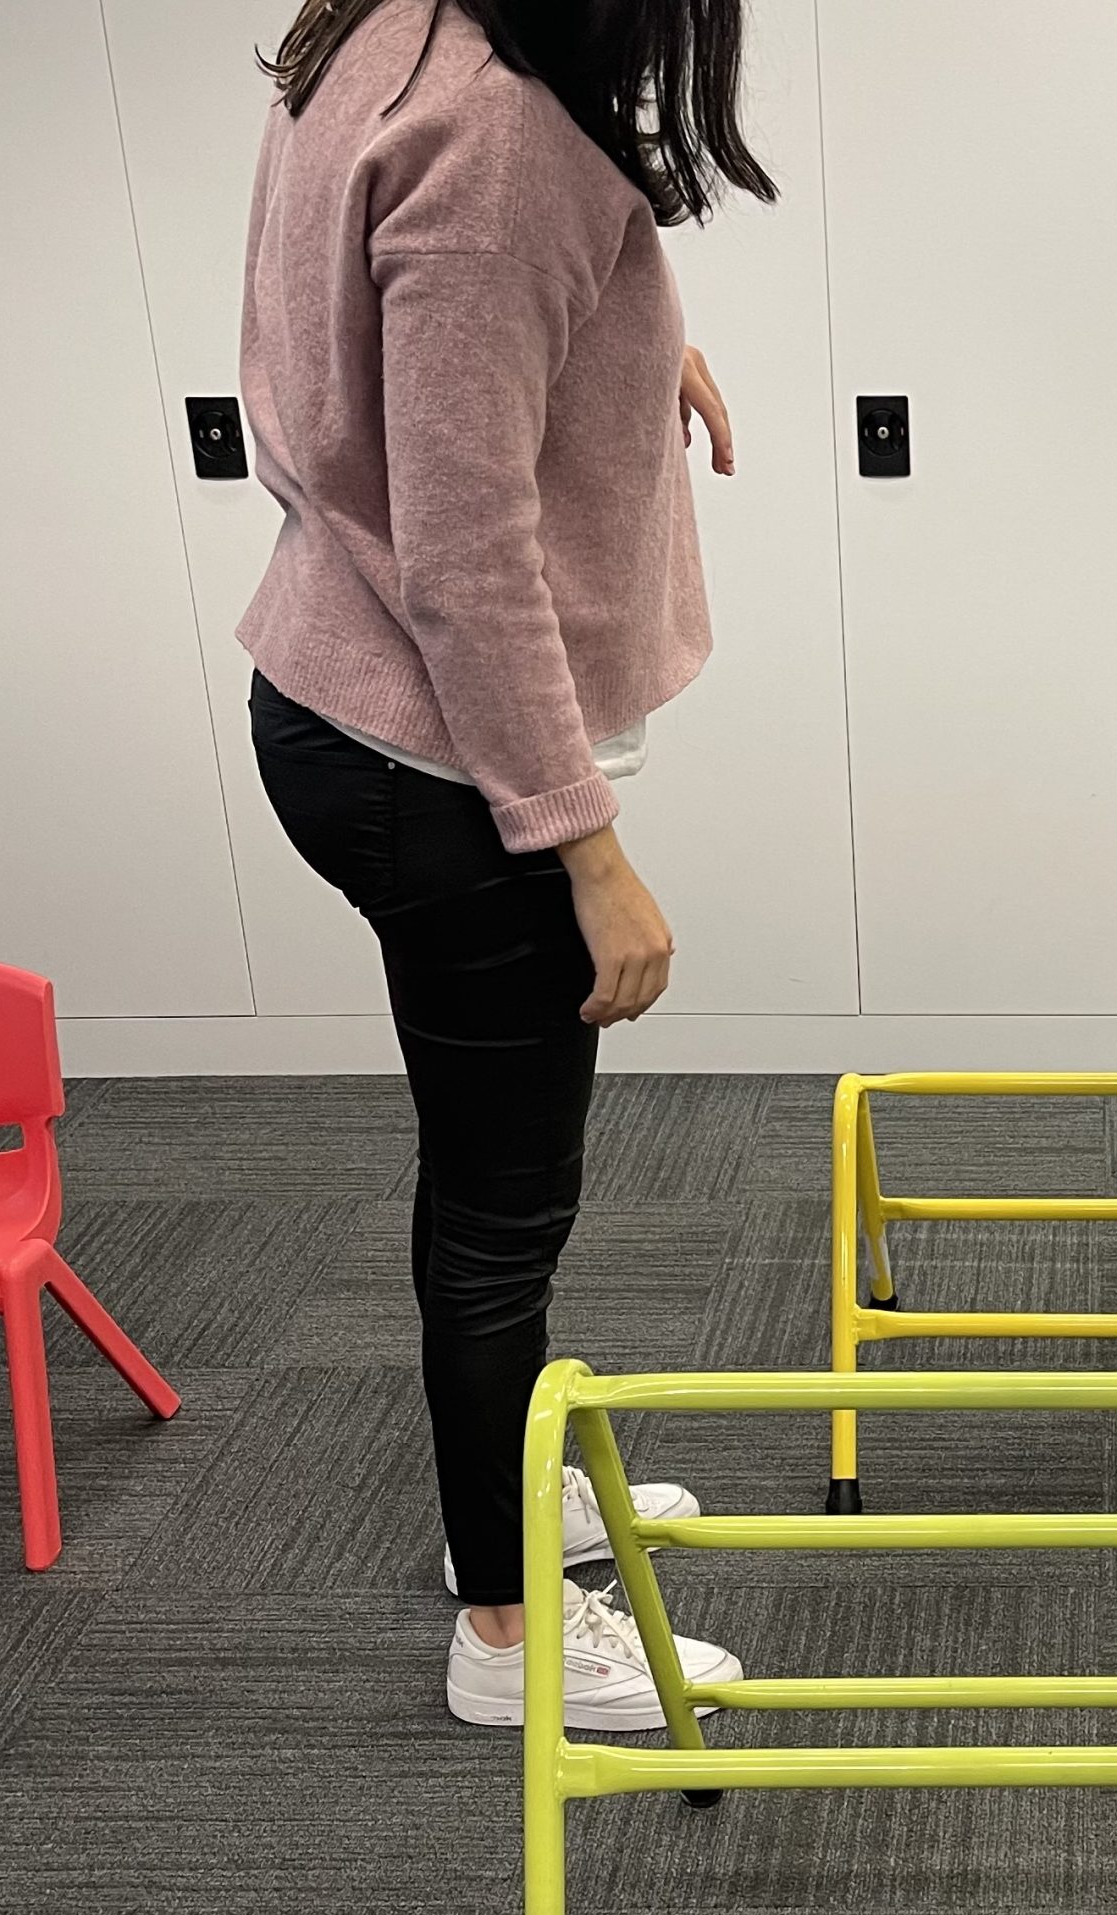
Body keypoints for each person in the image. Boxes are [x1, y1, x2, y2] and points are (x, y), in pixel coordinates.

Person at [240, 0, 770, 1729]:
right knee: (500, 1223)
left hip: (343, 697)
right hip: (440, 760)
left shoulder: (391, 28)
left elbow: (420, 353)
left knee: (478, 1192)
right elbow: (469, 559)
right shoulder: (500, 145)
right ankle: (507, 1643)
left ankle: (510, 1488)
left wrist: (631, 351)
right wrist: (585, 850)